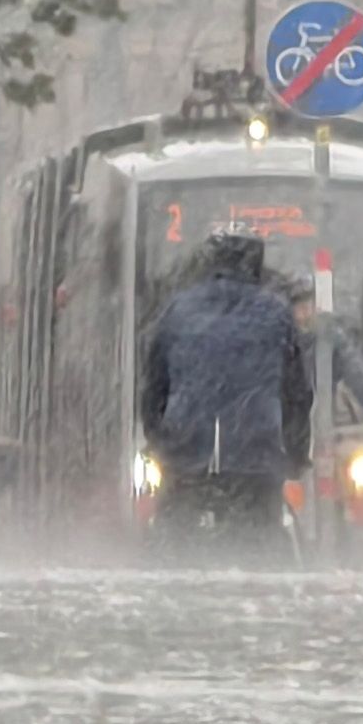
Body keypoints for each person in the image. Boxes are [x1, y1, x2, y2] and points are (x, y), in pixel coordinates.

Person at [139, 226, 311, 552]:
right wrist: (296, 453)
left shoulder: (178, 310)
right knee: (261, 538)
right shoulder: (275, 314)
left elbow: (154, 384)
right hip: (255, 452)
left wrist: (158, 440)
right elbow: (296, 393)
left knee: (174, 537)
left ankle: (170, 579)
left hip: (186, 449)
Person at [286, 271, 363, 434]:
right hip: (289, 430)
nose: (304, 313)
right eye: (298, 307)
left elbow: (358, 375)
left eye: (307, 305)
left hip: (318, 426)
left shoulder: (330, 339)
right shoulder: (282, 341)